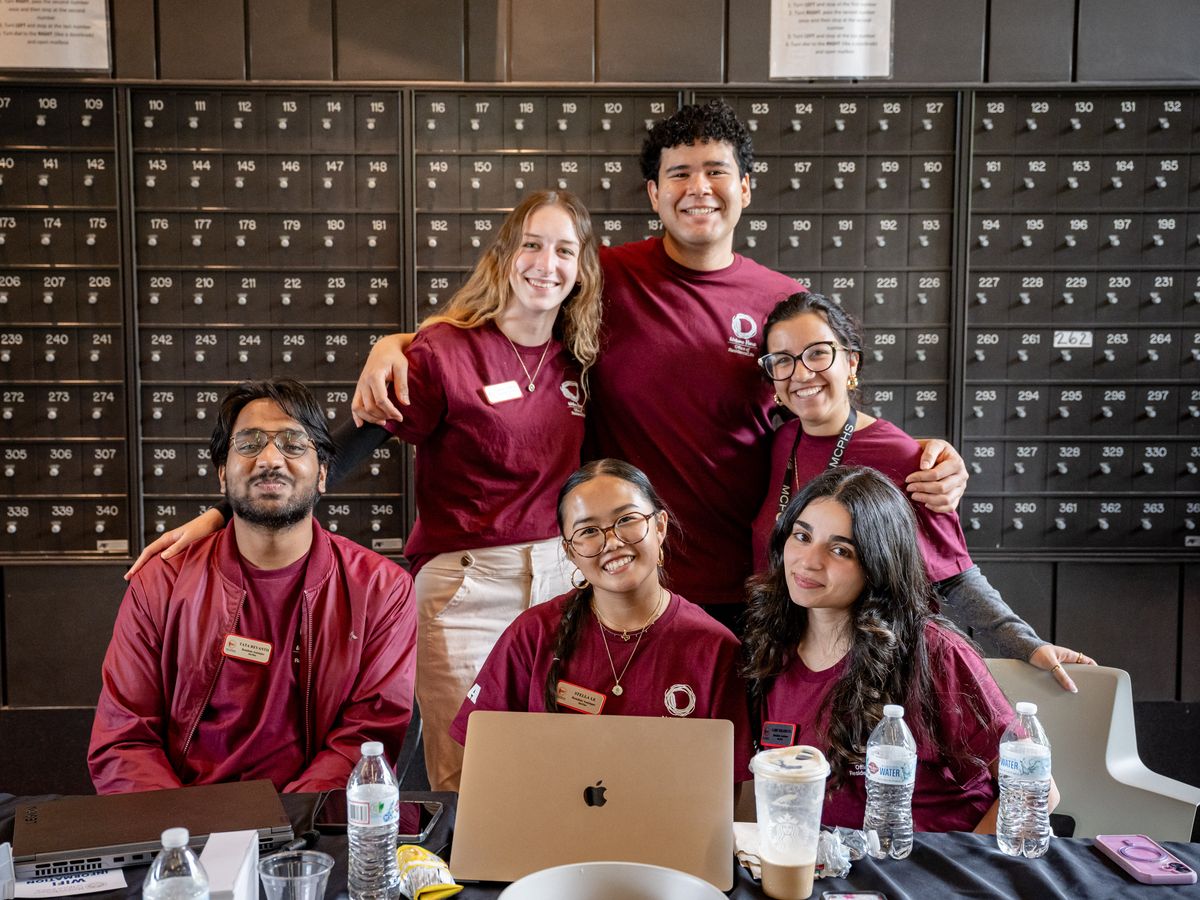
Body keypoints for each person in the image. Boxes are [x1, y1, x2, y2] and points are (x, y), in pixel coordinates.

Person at [352, 101, 969, 629]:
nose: (697, 188)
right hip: (615, 573)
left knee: (735, 757)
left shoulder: (779, 300)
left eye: (715, 171)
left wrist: (918, 453)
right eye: (678, 174)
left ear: (746, 187)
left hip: (744, 579)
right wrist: (403, 342)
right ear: (653, 193)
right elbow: (512, 318)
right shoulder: (605, 277)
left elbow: (820, 408)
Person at [124, 190, 604, 792]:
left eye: (565, 249)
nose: (546, 263)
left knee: (561, 771)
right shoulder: (442, 353)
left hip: (563, 582)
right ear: (505, 254)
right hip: (467, 588)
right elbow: (350, 445)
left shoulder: (579, 361)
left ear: (581, 266)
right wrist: (224, 513)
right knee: (475, 782)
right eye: (531, 244)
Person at [750, 292, 1095, 691]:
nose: (802, 373)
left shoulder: (908, 457)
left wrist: (1025, 644)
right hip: (786, 661)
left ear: (851, 362)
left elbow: (955, 575)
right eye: (783, 360)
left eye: (818, 354)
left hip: (870, 676)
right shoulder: (780, 442)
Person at [89, 379, 416, 794]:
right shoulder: (161, 583)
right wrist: (183, 841)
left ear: (323, 474)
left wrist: (284, 831)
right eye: (249, 443)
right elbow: (125, 739)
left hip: (310, 832)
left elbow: (365, 738)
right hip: (184, 829)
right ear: (223, 475)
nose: (270, 459)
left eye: (293, 444)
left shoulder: (380, 590)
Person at [742, 465, 1060, 833]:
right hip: (831, 872)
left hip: (934, 871)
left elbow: (1036, 790)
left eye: (841, 550)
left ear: (878, 563)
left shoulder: (934, 651)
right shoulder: (770, 646)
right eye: (801, 536)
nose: (809, 561)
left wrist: (956, 877)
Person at [450, 458, 754, 783]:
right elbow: (483, 757)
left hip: (667, 832)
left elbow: (724, 793)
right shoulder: (532, 635)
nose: (612, 542)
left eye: (627, 519)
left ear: (660, 526)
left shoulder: (715, 648)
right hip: (546, 827)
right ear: (570, 552)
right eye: (589, 531)